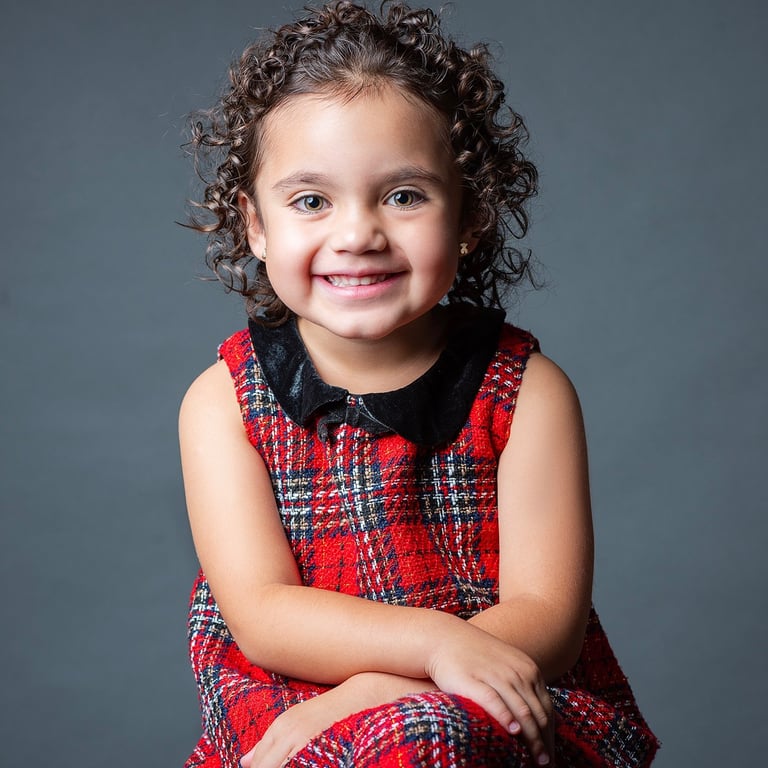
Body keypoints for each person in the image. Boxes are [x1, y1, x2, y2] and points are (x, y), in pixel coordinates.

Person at [178, 2, 659, 766]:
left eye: (404, 195)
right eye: (311, 201)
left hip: (491, 682)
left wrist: (389, 687)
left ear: (468, 217)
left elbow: (548, 617)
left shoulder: (526, 392)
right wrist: (426, 650)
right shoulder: (223, 403)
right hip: (296, 698)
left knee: (426, 735)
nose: (358, 234)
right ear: (257, 225)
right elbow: (264, 616)